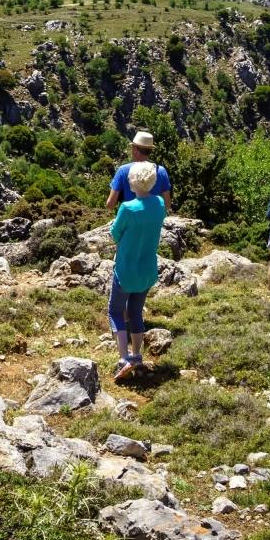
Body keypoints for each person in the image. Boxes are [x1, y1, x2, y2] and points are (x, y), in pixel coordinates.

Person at [109, 161, 168, 381]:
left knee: (115, 312)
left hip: (126, 269)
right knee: (135, 312)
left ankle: (123, 359)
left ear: (132, 181)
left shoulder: (128, 208)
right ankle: (137, 356)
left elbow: (115, 234)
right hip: (147, 270)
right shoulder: (160, 203)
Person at [106, 130, 173, 212]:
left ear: (135, 150)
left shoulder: (123, 171)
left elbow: (110, 205)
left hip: (129, 220)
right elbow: (167, 204)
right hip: (153, 222)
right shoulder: (161, 171)